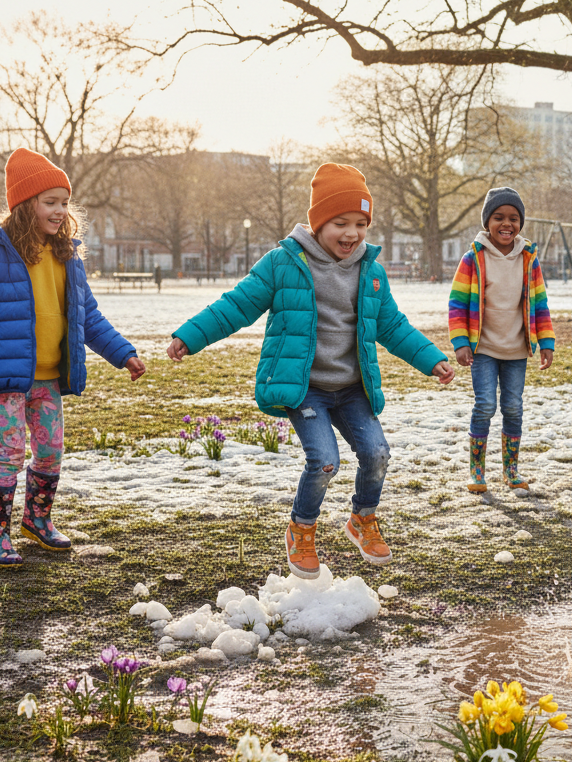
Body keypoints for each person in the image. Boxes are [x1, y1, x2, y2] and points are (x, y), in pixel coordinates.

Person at [167, 163, 454, 577]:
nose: (351, 233)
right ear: (318, 222)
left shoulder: (370, 272)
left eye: (360, 223)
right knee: (324, 461)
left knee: (377, 454)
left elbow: (391, 326)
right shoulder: (283, 264)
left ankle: (362, 519)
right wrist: (190, 336)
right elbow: (236, 305)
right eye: (340, 222)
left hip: (353, 388)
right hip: (306, 389)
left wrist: (431, 359)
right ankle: (301, 529)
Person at [0, 148, 145, 568]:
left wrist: (123, 354)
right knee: (10, 451)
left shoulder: (67, 254)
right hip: (6, 375)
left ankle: (37, 520)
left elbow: (88, 318)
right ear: (26, 205)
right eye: (51, 202)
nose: (61, 211)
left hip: (48, 377)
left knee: (50, 451)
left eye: (65, 202)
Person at [448, 187, 554, 493]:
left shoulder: (528, 259)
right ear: (487, 222)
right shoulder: (473, 259)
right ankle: (477, 472)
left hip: (517, 349)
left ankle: (511, 469)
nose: (506, 224)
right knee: (484, 405)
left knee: (513, 408)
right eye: (498, 217)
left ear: (520, 223)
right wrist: (460, 342)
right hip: (482, 349)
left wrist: (546, 342)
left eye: (513, 218)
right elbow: (456, 303)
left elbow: (540, 303)